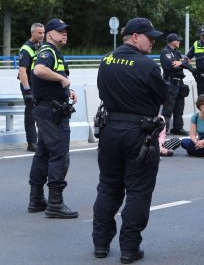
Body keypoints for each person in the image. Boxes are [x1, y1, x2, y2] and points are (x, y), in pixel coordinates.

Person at [93, 17, 168, 263]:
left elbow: (103, 93)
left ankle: (101, 244)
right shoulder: (147, 65)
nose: (153, 42)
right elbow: (162, 96)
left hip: (110, 130)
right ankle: (129, 248)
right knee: (138, 190)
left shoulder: (106, 61)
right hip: (139, 133)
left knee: (108, 187)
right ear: (135, 37)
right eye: (150, 37)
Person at [27, 18, 78, 219]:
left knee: (44, 153)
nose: (64, 33)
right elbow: (39, 70)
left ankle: (36, 199)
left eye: (66, 30)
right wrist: (62, 79)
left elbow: (49, 78)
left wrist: (67, 89)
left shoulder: (53, 52)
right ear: (49, 34)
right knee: (59, 154)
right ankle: (55, 202)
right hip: (52, 113)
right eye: (60, 31)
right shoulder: (47, 51)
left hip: (47, 109)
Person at [18, 23, 44, 152]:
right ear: (32, 33)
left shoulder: (40, 46)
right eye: (39, 33)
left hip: (38, 85)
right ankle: (32, 143)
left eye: (43, 33)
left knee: (40, 113)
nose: (42, 35)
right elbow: (22, 71)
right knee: (31, 114)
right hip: (29, 85)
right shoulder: (26, 48)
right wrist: (27, 90)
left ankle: (41, 141)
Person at [160, 33, 189, 136]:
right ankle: (164, 129)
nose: (179, 42)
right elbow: (169, 66)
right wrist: (180, 64)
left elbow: (187, 63)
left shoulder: (177, 52)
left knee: (179, 107)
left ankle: (178, 128)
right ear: (172, 41)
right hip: (170, 82)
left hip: (179, 83)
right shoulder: (165, 52)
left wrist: (180, 63)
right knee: (168, 108)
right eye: (178, 40)